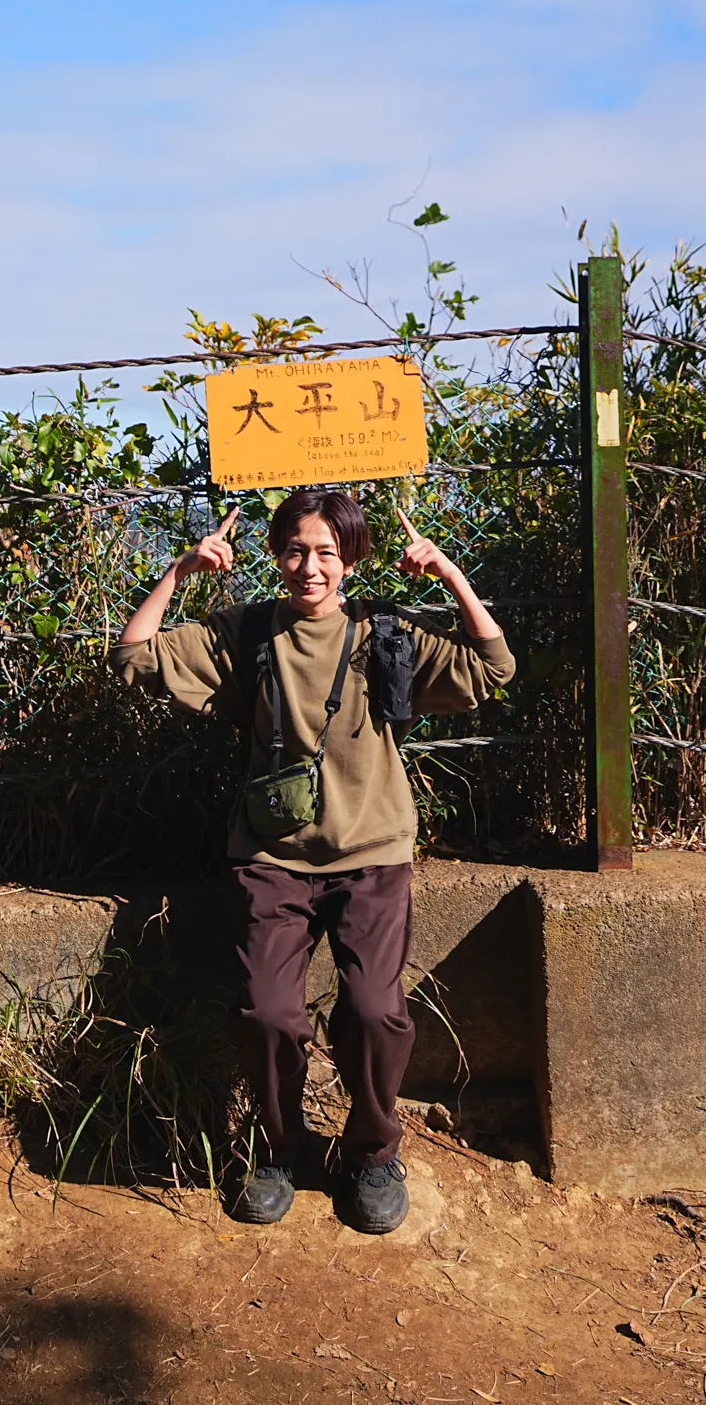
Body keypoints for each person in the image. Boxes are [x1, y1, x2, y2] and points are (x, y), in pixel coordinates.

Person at [109, 483, 514, 1234]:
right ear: (274, 555)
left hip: (374, 853)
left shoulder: (385, 631)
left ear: (351, 559)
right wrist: (181, 571)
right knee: (266, 1012)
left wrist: (452, 575)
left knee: (373, 1010)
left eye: (327, 551)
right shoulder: (247, 633)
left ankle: (372, 1154)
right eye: (295, 549)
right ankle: (282, 1146)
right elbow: (134, 656)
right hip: (271, 857)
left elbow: (493, 668)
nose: (309, 566)